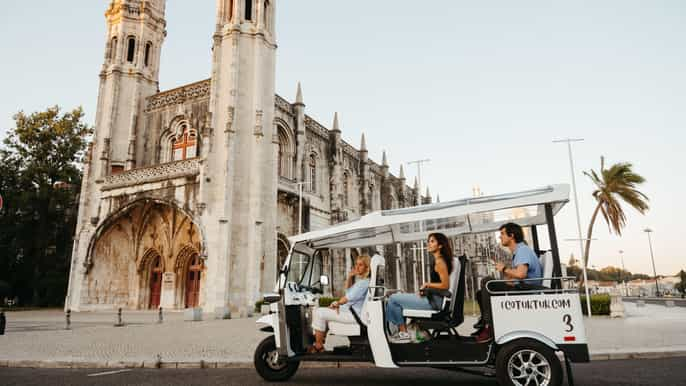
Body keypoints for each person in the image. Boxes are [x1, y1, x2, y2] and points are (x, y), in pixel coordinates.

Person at [473, 222, 543, 342]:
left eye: (502, 234)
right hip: (523, 288)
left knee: (487, 281)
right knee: (480, 293)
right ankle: (485, 321)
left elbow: (521, 274)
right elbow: (515, 279)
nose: (500, 237)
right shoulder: (519, 252)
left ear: (511, 235)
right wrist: (506, 274)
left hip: (526, 291)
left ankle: (490, 327)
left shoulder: (522, 250)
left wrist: (504, 269)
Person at [386, 233, 454, 343]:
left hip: (433, 303)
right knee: (396, 300)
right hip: (432, 299)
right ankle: (402, 331)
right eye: (429, 241)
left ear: (440, 245)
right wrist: (427, 290)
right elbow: (439, 285)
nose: (429, 244)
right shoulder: (439, 260)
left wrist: (427, 284)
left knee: (393, 299)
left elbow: (445, 285)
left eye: (432, 241)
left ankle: (403, 333)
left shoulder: (439, 262)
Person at [307, 255, 371, 353]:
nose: (357, 267)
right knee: (325, 312)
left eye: (360, 265)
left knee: (318, 312)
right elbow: (348, 291)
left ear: (367, 267)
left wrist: (336, 303)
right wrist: (350, 276)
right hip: (351, 312)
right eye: (356, 264)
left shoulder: (363, 283)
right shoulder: (363, 282)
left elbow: (346, 298)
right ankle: (320, 340)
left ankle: (318, 346)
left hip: (353, 315)